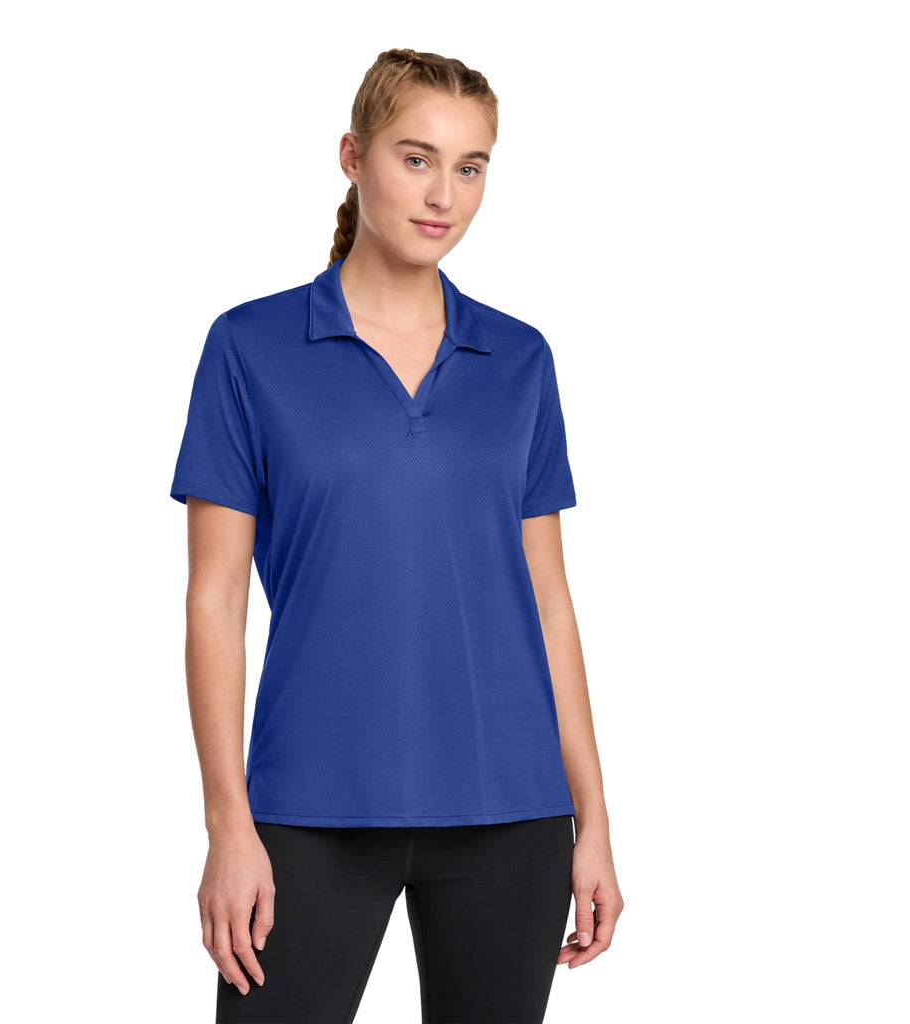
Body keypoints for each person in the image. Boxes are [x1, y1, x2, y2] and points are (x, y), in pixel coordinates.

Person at [169, 47, 624, 1024]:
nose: (443, 195)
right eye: (416, 158)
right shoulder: (248, 348)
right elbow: (215, 599)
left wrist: (593, 820)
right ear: (353, 156)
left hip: (511, 808)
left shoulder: (519, 359)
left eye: (470, 166)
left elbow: (549, 603)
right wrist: (227, 825)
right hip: (309, 807)